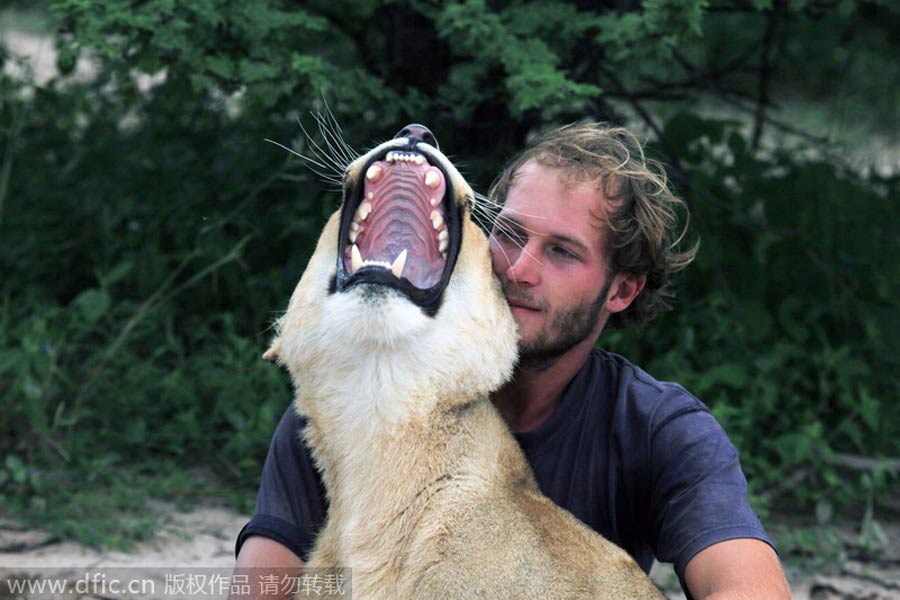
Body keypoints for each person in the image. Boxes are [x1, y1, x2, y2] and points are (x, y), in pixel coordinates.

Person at [232, 123, 791, 599]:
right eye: (509, 232)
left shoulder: (657, 426)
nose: (520, 269)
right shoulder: (362, 399)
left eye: (562, 252)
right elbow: (264, 588)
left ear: (621, 291)